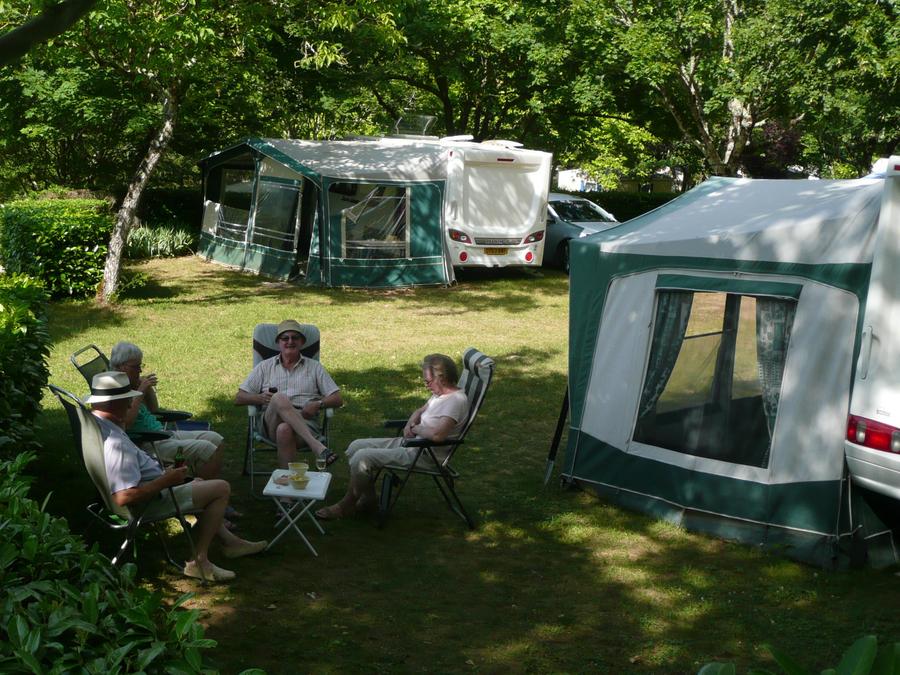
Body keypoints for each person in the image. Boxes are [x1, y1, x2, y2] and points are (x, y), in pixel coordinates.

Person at [87, 371, 266, 582]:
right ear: (114, 404)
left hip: (153, 489)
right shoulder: (115, 444)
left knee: (200, 482)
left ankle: (231, 543)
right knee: (221, 488)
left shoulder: (96, 426)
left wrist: (164, 474)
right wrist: (166, 480)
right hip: (150, 502)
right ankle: (198, 562)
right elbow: (123, 497)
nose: (130, 406)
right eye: (127, 400)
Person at [315, 354, 469, 520]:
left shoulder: (456, 401)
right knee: (355, 446)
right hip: (412, 444)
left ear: (442, 378)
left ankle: (346, 505)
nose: (425, 385)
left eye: (428, 381)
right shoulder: (440, 394)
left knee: (362, 458)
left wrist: (416, 428)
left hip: (424, 454)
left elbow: (438, 435)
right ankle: (368, 499)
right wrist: (409, 424)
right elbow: (420, 410)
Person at [110, 341, 225, 481]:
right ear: (122, 367)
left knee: (216, 439)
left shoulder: (131, 384)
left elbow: (154, 409)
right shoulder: (115, 389)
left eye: (141, 365)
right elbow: (126, 423)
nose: (140, 370)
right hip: (148, 443)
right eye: (136, 367)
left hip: (161, 435)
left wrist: (147, 389)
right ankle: (204, 488)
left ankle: (203, 484)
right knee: (207, 449)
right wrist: (141, 391)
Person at [235, 320, 343, 469]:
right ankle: (317, 447)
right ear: (278, 343)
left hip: (305, 421)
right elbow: (239, 397)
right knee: (278, 397)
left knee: (284, 429)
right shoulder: (264, 367)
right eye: (285, 338)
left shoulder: (315, 368)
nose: (290, 341)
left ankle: (288, 482)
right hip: (271, 423)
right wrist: (259, 398)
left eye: (295, 338)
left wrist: (319, 403)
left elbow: (337, 398)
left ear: (302, 342)